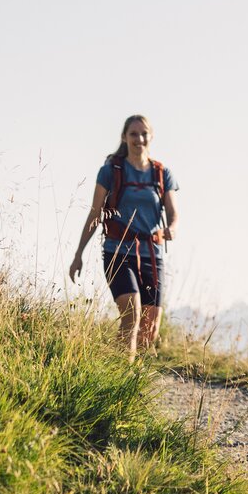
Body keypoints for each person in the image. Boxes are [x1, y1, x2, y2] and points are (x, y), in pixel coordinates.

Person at [68, 114, 179, 359]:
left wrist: (171, 227)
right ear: (124, 137)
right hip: (118, 251)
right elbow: (95, 213)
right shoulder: (110, 172)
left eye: (143, 134)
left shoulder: (161, 174)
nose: (139, 139)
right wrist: (79, 254)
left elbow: (173, 213)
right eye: (133, 134)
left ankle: (127, 377)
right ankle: (120, 373)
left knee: (150, 329)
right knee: (132, 312)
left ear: (151, 137)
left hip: (152, 253)